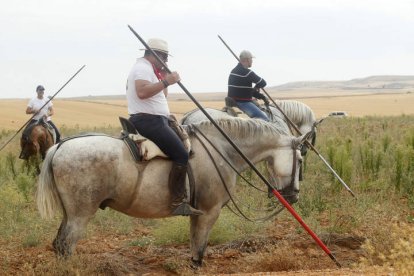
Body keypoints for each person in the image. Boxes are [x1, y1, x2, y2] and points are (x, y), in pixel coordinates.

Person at [126, 38, 203, 216]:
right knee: (181, 154)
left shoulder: (150, 69)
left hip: (157, 119)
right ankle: (177, 202)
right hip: (149, 121)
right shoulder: (142, 68)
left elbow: (162, 95)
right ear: (156, 54)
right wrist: (167, 80)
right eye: (165, 57)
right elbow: (142, 92)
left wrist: (162, 77)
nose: (166, 61)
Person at [227, 50, 270, 121]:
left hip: (233, 101)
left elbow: (246, 91)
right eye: (251, 59)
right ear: (247, 59)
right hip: (242, 103)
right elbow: (263, 83)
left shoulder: (233, 71)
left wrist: (261, 96)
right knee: (265, 119)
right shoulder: (247, 73)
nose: (252, 61)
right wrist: (257, 86)